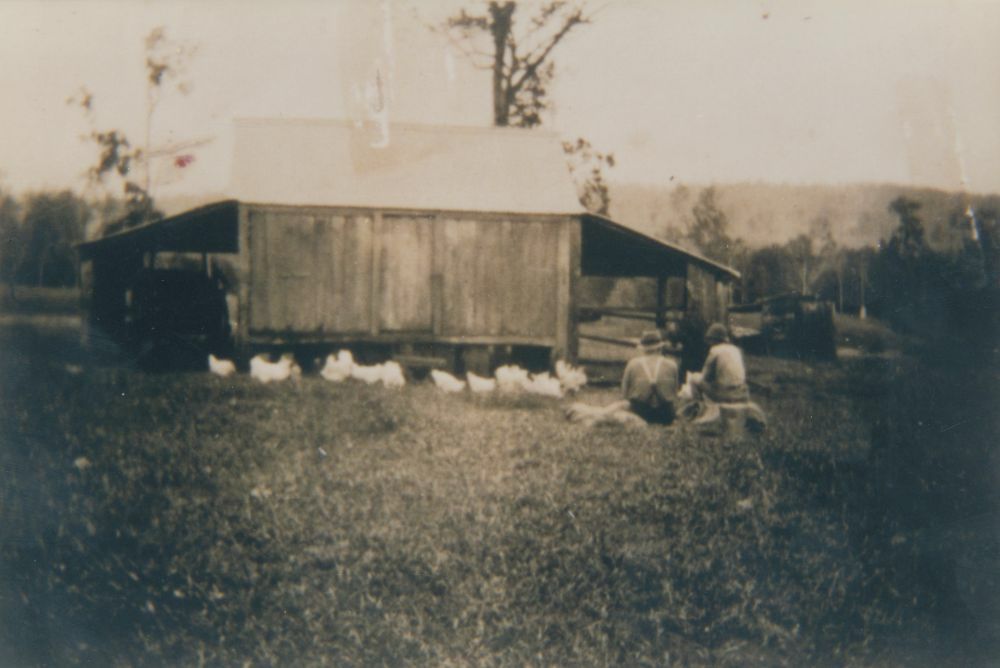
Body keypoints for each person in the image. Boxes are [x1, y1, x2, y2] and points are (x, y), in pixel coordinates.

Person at [566, 330, 679, 427]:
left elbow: (624, 394)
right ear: (660, 348)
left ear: (643, 349)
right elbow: (674, 393)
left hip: (641, 413)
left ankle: (584, 413)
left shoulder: (633, 364)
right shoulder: (672, 365)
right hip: (666, 416)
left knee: (618, 408)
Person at [693, 323, 749, 403]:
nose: (709, 343)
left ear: (714, 339)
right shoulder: (736, 349)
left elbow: (705, 377)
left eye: (710, 339)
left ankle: (700, 408)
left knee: (694, 378)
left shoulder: (715, 350)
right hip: (741, 391)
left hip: (724, 393)